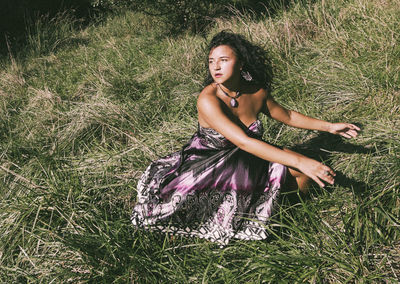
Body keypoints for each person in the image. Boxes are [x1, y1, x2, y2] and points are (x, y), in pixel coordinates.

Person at [131, 31, 360, 245]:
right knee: (299, 166)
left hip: (250, 154)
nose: (216, 66)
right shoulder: (208, 99)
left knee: (305, 178)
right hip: (211, 164)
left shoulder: (255, 91)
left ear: (241, 64)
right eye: (211, 61)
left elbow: (288, 116)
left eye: (223, 60)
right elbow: (243, 141)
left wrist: (329, 127)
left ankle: (278, 207)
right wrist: (299, 160)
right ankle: (263, 214)